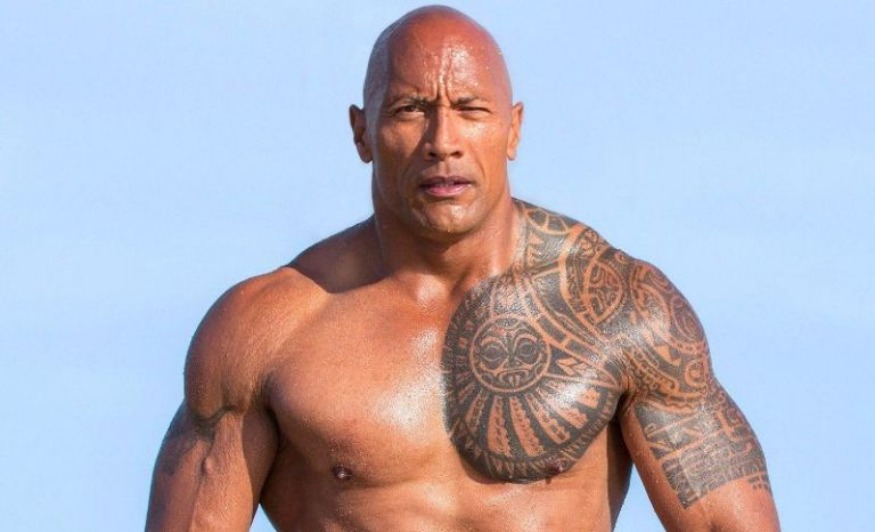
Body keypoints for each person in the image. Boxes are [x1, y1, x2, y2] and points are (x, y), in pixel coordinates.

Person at [146, 5, 780, 531]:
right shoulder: (265, 331)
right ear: (361, 133)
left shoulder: (618, 309)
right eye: (409, 110)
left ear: (513, 129)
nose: (442, 141)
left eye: (471, 110)